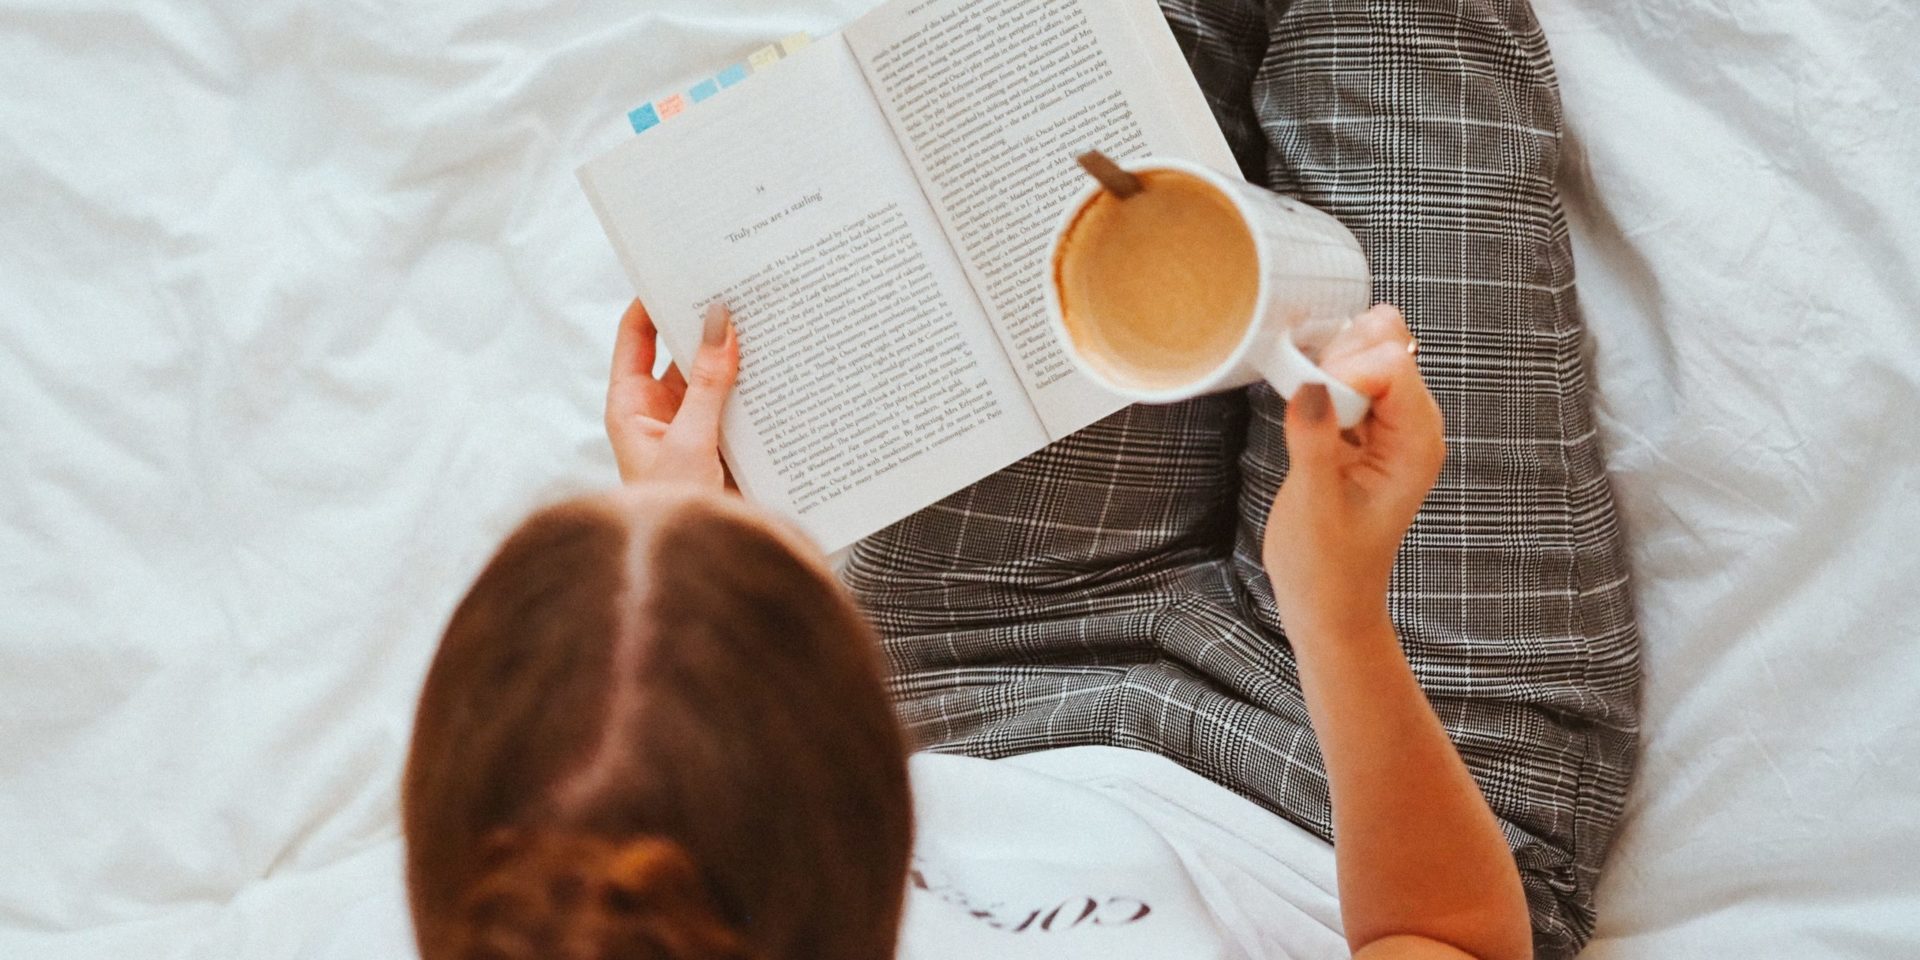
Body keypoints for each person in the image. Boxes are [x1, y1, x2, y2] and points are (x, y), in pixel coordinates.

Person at [404, 1, 1639, 958]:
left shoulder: (568, 909)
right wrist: (1335, 612)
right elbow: (1449, 940)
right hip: (1367, 802)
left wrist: (693, 547)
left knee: (1059, 64)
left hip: (970, 675)